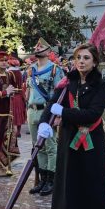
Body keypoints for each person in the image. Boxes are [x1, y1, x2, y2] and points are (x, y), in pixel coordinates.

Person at [37, 42, 105, 209]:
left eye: (86, 58)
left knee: (90, 188)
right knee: (72, 187)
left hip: (91, 143)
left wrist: (65, 113)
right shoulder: (68, 82)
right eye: (78, 57)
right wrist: (45, 122)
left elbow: (93, 114)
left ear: (94, 61)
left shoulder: (100, 85)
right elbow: (52, 104)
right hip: (69, 141)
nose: (81, 61)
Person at [26, 38, 65, 195]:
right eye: (36, 47)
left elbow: (60, 93)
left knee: (50, 147)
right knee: (37, 147)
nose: (38, 49)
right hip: (32, 110)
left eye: (42, 48)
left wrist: (57, 115)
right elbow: (29, 91)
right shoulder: (31, 69)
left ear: (49, 52)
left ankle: (51, 180)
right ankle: (42, 179)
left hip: (47, 111)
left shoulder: (55, 70)